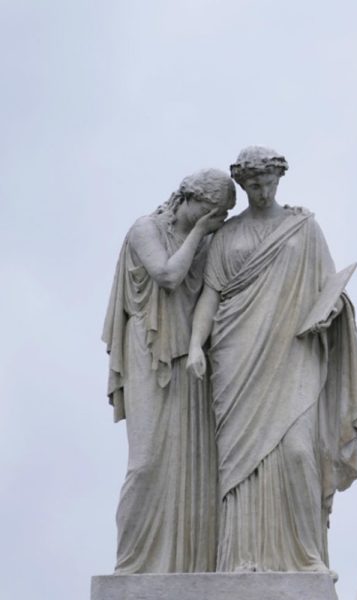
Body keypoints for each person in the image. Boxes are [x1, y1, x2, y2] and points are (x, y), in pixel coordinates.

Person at [187, 146, 357, 574]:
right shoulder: (227, 236)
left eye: (267, 182)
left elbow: (330, 287)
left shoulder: (304, 229)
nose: (261, 190)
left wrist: (333, 309)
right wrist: (196, 345)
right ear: (243, 186)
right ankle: (241, 558)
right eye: (252, 185)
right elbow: (210, 296)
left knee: (298, 453)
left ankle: (305, 556)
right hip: (236, 356)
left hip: (293, 352)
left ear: (279, 180)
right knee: (239, 463)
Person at [102, 168, 236, 573]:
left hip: (191, 360)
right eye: (211, 211)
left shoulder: (211, 240)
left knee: (193, 467)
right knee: (145, 463)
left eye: (223, 215)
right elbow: (168, 275)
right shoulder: (146, 229)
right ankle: (132, 564)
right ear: (187, 199)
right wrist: (200, 233)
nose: (217, 221)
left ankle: (189, 566)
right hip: (149, 349)